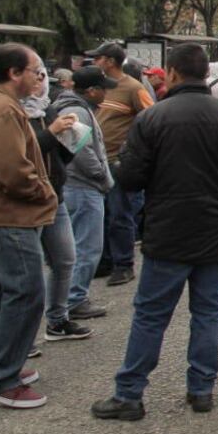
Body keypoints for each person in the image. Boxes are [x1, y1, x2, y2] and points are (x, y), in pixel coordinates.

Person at [92, 44, 218, 420]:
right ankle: (201, 389)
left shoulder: (153, 119)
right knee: (208, 312)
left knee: (151, 314)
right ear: (205, 74)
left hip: (167, 232)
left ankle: (130, 394)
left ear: (171, 73)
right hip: (215, 232)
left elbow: (131, 179)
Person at [0, 43, 58, 409]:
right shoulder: (1, 108)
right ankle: (2, 378)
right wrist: (43, 192)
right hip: (5, 216)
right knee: (26, 293)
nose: (40, 77)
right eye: (35, 70)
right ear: (14, 73)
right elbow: (12, 171)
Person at [22, 57, 92, 342]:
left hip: (55, 194)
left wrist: (74, 138)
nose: (39, 82)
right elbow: (25, 152)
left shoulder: (47, 110)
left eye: (42, 76)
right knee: (28, 273)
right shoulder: (12, 113)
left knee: (65, 259)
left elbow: (58, 155)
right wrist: (51, 133)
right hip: (28, 199)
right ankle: (21, 339)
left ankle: (58, 319)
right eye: (35, 75)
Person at [88, 42, 154, 286]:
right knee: (102, 214)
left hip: (119, 161)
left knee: (119, 214)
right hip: (98, 161)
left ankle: (123, 264)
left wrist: (134, 152)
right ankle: (104, 260)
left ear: (110, 61)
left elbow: (151, 118)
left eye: (98, 58)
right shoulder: (100, 87)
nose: (95, 62)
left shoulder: (133, 88)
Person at [52, 66, 115, 320]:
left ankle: (71, 298)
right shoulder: (76, 111)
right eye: (102, 89)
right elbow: (80, 149)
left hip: (77, 185)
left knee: (79, 247)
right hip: (83, 186)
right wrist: (101, 174)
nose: (105, 94)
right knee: (87, 248)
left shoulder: (74, 107)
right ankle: (74, 299)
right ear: (91, 90)